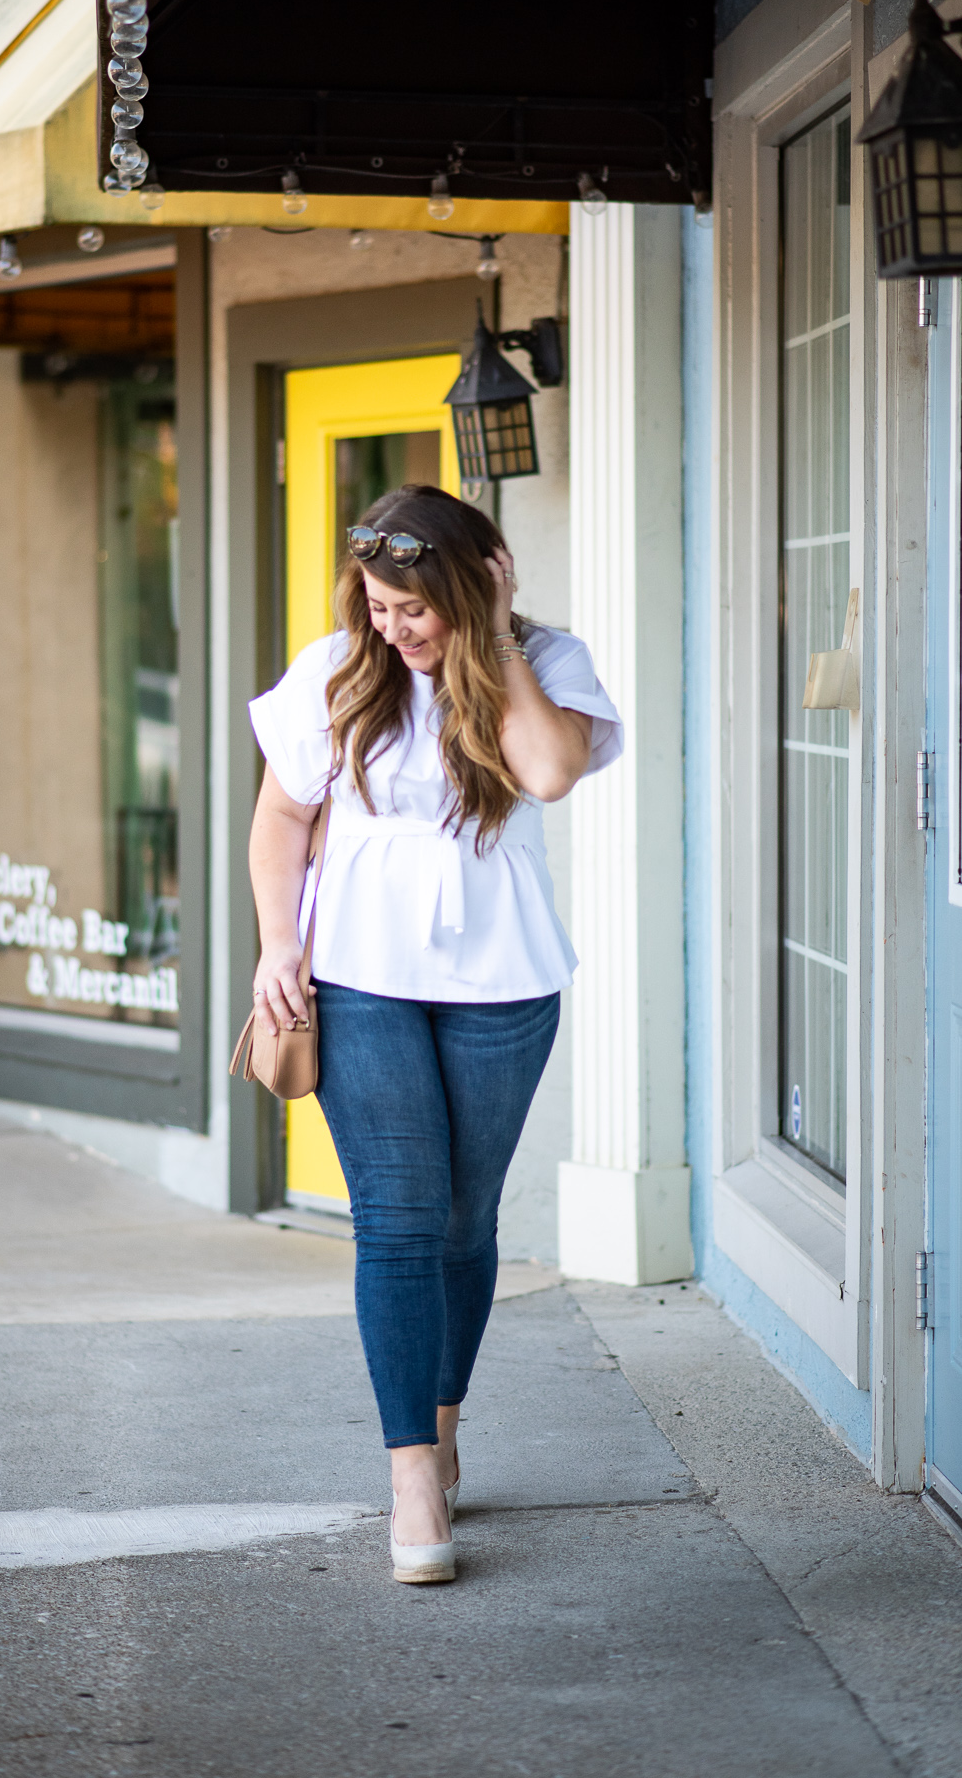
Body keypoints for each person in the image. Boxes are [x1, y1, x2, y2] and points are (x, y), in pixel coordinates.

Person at [246, 484, 622, 1583]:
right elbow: (281, 816)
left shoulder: (544, 661)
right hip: (358, 970)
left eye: (416, 608)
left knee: (463, 1218)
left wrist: (494, 637)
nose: (394, 628)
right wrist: (278, 943)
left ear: (476, 584)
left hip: (499, 977)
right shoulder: (334, 670)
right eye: (376, 605)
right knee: (399, 1217)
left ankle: (444, 1421)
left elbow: (548, 770)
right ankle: (411, 1466)